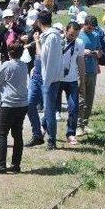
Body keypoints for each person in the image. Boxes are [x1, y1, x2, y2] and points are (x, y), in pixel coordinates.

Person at [0, 43, 29, 174]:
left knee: (2, 134)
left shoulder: (7, 65)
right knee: (17, 134)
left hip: (9, 104)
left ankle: (1, 165)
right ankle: (16, 164)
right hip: (22, 104)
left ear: (9, 52)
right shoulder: (24, 65)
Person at [34, 10, 63, 150]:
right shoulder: (56, 34)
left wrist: (36, 41)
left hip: (49, 78)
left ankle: (52, 140)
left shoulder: (49, 37)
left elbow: (41, 55)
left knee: (49, 110)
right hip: (56, 76)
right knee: (48, 109)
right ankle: (45, 127)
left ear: (39, 22)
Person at [57, 22, 85, 145]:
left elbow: (80, 62)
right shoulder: (58, 41)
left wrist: (82, 81)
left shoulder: (79, 43)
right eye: (71, 34)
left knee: (74, 108)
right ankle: (45, 127)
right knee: (52, 107)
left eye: (76, 35)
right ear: (66, 30)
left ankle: (71, 133)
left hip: (72, 80)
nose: (73, 37)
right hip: (57, 79)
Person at [78, 15, 101, 135]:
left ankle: (85, 124)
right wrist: (83, 51)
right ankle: (77, 125)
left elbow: (100, 51)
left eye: (93, 28)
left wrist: (97, 53)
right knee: (80, 99)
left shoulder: (96, 35)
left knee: (89, 99)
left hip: (92, 70)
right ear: (85, 24)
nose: (91, 30)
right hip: (80, 71)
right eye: (89, 28)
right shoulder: (78, 35)